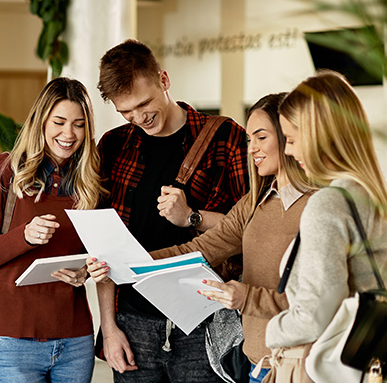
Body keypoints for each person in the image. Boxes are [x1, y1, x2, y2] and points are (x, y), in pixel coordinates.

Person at [90, 93, 313, 383]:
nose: (252, 149)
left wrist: (247, 298)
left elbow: (318, 301)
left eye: (261, 137)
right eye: (249, 140)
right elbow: (200, 249)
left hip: (305, 364)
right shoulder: (254, 202)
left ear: (290, 137)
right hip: (258, 364)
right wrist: (124, 265)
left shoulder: (318, 205)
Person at [91, 39, 249, 383]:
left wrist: (192, 217)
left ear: (164, 79)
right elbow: (104, 248)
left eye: (144, 103)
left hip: (204, 320)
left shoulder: (225, 138)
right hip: (133, 322)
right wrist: (108, 328)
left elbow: (250, 231)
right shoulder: (114, 145)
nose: (139, 117)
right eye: (126, 112)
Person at [0, 77, 107, 383]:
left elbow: (97, 252)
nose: (69, 134)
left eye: (79, 124)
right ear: (40, 120)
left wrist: (85, 270)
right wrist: (24, 236)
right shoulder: (5, 171)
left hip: (75, 337)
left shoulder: (91, 182)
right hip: (14, 337)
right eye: (59, 122)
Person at [264, 70, 387, 380]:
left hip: (313, 363)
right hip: (363, 362)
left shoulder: (329, 203)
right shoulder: (382, 200)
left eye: (293, 139)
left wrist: (272, 329)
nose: (288, 151)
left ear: (319, 137)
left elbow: (315, 315)